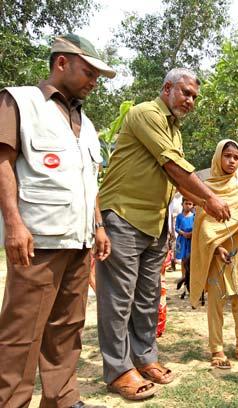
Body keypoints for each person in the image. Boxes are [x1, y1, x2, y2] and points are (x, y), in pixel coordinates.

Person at [96, 68, 230, 401]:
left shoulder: (175, 131)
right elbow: (173, 167)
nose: (191, 101)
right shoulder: (146, 114)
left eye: (195, 96)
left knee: (146, 298)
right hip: (124, 216)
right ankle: (118, 370)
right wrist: (210, 198)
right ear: (167, 88)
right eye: (186, 92)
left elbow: (178, 181)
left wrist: (205, 203)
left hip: (155, 224)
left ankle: (144, 358)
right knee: (119, 299)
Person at [0, 34, 114, 407]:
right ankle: (11, 401)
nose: (95, 81)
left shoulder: (88, 123)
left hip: (79, 244)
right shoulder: (20, 102)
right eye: (89, 71)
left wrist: (98, 225)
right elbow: (3, 163)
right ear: (62, 62)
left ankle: (62, 398)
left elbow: (88, 179)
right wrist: (14, 224)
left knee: (67, 328)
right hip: (39, 241)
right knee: (21, 333)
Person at [190, 139, 238, 369]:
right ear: (218, 156)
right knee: (216, 302)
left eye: (236, 157)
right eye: (227, 156)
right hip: (216, 249)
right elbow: (202, 220)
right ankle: (217, 350)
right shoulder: (206, 183)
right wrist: (216, 247)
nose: (232, 161)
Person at [175, 198, 195, 279]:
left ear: (193, 205)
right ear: (182, 204)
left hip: (191, 240)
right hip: (182, 240)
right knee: (183, 259)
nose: (188, 206)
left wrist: (191, 233)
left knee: (191, 258)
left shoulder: (194, 216)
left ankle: (190, 277)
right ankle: (183, 276)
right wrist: (183, 233)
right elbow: (176, 228)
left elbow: (196, 228)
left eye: (190, 204)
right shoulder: (179, 216)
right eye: (186, 203)